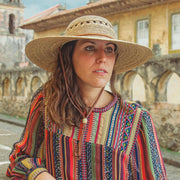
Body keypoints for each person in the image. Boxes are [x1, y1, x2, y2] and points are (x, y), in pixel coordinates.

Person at [6, 15, 167, 180]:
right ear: (69, 55)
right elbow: (20, 159)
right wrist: (40, 175)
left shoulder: (136, 120)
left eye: (109, 49)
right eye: (90, 47)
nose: (102, 58)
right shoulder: (47, 102)